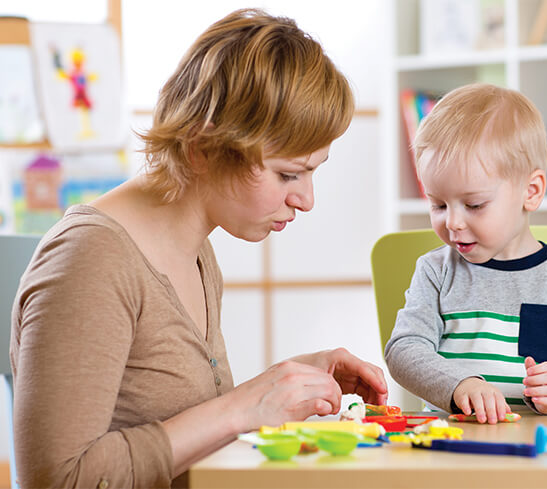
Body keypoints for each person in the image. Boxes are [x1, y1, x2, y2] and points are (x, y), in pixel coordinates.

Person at [10, 9, 387, 488]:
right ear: (202, 147)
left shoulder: (196, 251)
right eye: (288, 174)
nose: (306, 200)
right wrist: (244, 405)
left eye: (312, 172)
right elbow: (56, 479)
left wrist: (283, 384)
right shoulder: (90, 261)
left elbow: (174, 419)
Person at [384, 83, 547, 424]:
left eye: (474, 204)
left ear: (531, 191)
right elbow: (403, 350)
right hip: (455, 443)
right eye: (437, 204)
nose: (452, 222)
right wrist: (458, 385)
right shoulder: (436, 271)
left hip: (545, 448)